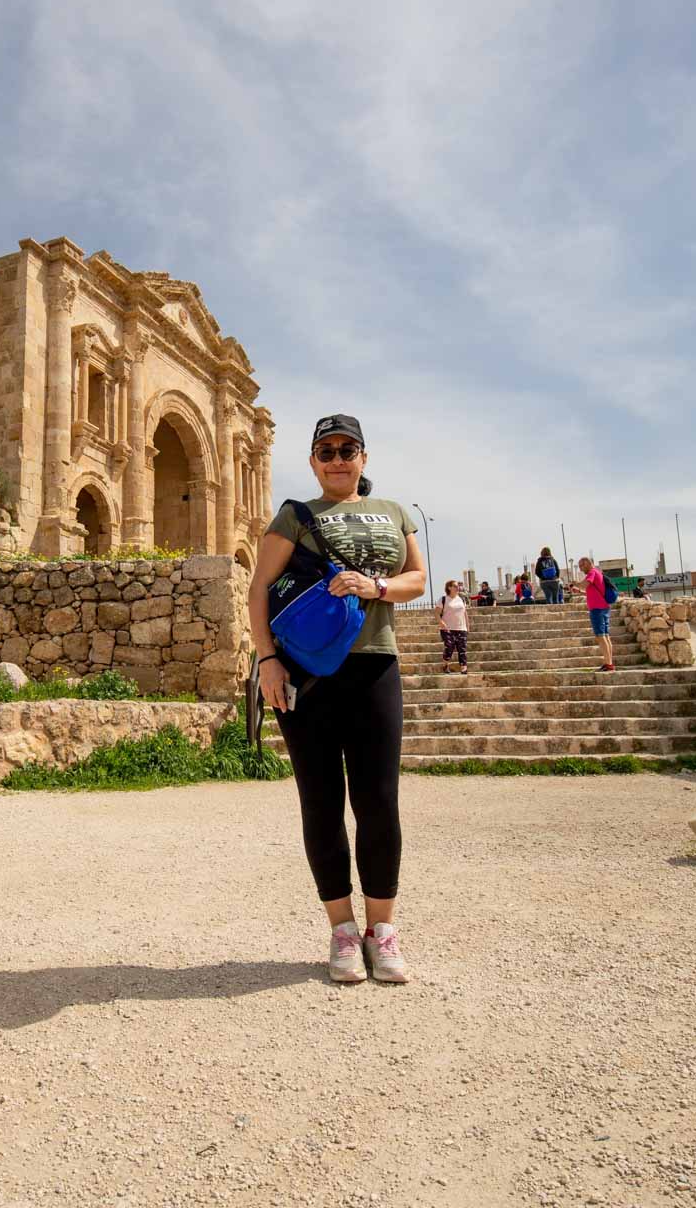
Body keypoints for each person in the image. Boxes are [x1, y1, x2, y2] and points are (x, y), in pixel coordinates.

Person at [247, 413, 426, 985]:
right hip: (306, 673)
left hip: (376, 664)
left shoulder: (394, 512)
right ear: (313, 461)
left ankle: (383, 930)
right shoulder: (296, 515)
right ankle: (342, 930)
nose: (338, 458)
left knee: (379, 802)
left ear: (364, 458)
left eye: (348, 448)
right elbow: (258, 588)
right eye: (326, 450)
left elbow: (418, 580)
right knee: (320, 802)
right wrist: (267, 660)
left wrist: (373, 586)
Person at [578, 555, 615, 672]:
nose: (580, 569)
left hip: (597, 609)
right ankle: (608, 662)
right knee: (605, 635)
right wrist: (578, 590)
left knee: (600, 636)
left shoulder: (592, 572)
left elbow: (585, 584)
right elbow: (591, 589)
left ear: (588, 563)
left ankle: (608, 664)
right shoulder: (597, 573)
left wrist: (575, 583)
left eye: (582, 566)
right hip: (604, 607)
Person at [439, 579, 469, 674]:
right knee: (449, 646)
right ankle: (445, 664)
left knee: (462, 649)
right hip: (447, 628)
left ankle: (464, 668)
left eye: (458, 586)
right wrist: (440, 622)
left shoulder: (461, 599)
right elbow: (436, 612)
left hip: (461, 628)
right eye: (455, 586)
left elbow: (465, 613)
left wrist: (467, 626)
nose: (458, 588)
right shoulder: (443, 599)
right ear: (449, 587)